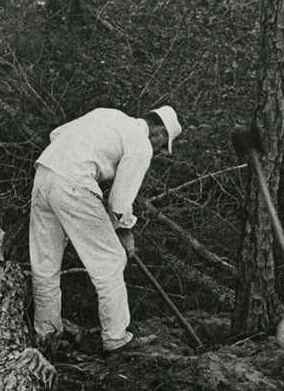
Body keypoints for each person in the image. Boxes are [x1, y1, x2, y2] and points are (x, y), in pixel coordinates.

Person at [29, 105, 181, 356]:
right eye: (162, 147)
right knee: (111, 260)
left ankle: (46, 337)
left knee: (45, 264)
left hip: (44, 173)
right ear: (160, 133)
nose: (159, 152)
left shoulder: (108, 114)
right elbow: (119, 203)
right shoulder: (141, 144)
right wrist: (124, 231)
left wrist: (88, 168)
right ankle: (116, 338)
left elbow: (56, 135)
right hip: (74, 183)